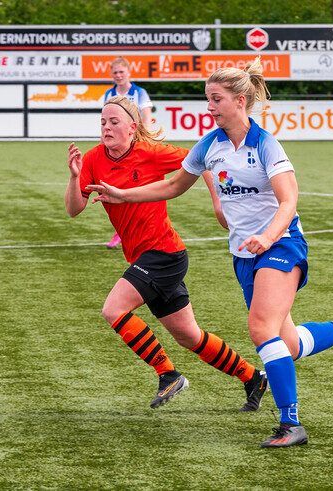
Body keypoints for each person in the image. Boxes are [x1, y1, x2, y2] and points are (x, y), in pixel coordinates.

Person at [87, 59, 333, 448]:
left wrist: (267, 236)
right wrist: (123, 194)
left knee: (260, 329)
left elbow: (289, 199)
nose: (209, 107)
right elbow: (175, 185)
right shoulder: (209, 146)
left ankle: (291, 424)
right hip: (244, 255)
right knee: (290, 344)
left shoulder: (265, 144)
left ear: (240, 101)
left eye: (216, 99)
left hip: (281, 245)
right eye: (207, 99)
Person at [65, 95, 268, 411]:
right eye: (103, 122)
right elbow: (74, 209)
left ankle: (168, 374)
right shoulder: (92, 160)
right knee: (190, 337)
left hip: (163, 253)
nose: (106, 127)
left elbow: (203, 162)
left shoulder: (150, 153)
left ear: (132, 128)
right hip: (148, 257)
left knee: (113, 309)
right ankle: (253, 377)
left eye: (113, 122)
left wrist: (218, 201)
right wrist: (76, 177)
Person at [102, 57, 154, 249]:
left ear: (128, 73)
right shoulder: (109, 93)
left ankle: (128, 232)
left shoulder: (139, 93)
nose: (118, 75)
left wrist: (144, 139)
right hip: (117, 148)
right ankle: (123, 231)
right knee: (118, 187)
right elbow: (106, 119)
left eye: (121, 72)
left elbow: (146, 118)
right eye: (115, 72)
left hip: (136, 146)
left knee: (137, 188)